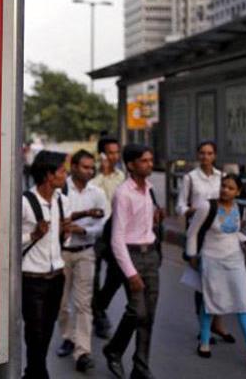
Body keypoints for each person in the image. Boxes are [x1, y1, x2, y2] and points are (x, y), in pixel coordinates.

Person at [186, 174, 246, 369]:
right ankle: (204, 343)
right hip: (211, 260)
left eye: (230, 188)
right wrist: (192, 257)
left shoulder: (240, 209)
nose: (225, 190)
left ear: (238, 192)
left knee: (243, 304)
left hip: (235, 261)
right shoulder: (207, 207)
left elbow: (233, 233)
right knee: (210, 302)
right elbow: (192, 233)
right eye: (223, 186)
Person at [103, 145, 160, 379]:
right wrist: (131, 273)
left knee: (149, 315)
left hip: (151, 255)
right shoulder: (123, 193)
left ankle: (141, 366)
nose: (149, 164)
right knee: (138, 311)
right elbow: (117, 238)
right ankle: (114, 350)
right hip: (132, 256)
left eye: (150, 159)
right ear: (131, 165)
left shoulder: (150, 189)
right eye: (144, 161)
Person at [56, 150, 110, 372]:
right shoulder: (61, 190)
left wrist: (84, 230)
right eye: (85, 167)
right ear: (74, 167)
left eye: (91, 167)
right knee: (61, 303)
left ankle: (83, 351)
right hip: (61, 252)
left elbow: (103, 224)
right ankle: (68, 336)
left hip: (86, 251)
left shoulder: (97, 193)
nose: (90, 171)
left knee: (83, 303)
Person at [176, 141, 233, 344]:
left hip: (219, 233)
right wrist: (192, 210)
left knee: (221, 280)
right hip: (198, 233)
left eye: (209, 153)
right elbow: (180, 205)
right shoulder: (190, 178)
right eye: (202, 153)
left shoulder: (222, 177)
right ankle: (204, 327)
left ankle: (218, 323)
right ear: (198, 155)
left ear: (215, 155)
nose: (205, 157)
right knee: (201, 282)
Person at [21, 150, 68, 379]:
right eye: (62, 171)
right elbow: (7, 241)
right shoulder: (24, 202)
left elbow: (61, 236)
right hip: (32, 279)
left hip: (56, 276)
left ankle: (33, 372)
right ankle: (39, 373)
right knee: (35, 332)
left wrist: (67, 232)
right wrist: (32, 235)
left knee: (48, 328)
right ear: (49, 175)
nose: (65, 175)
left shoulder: (61, 200)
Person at [90, 137, 125, 339]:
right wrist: (102, 174)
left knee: (117, 273)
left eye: (116, 152)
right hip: (96, 234)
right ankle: (99, 318)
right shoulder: (93, 178)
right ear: (102, 155)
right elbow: (90, 193)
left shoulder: (122, 177)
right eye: (110, 153)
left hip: (116, 233)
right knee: (93, 278)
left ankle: (99, 306)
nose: (114, 157)